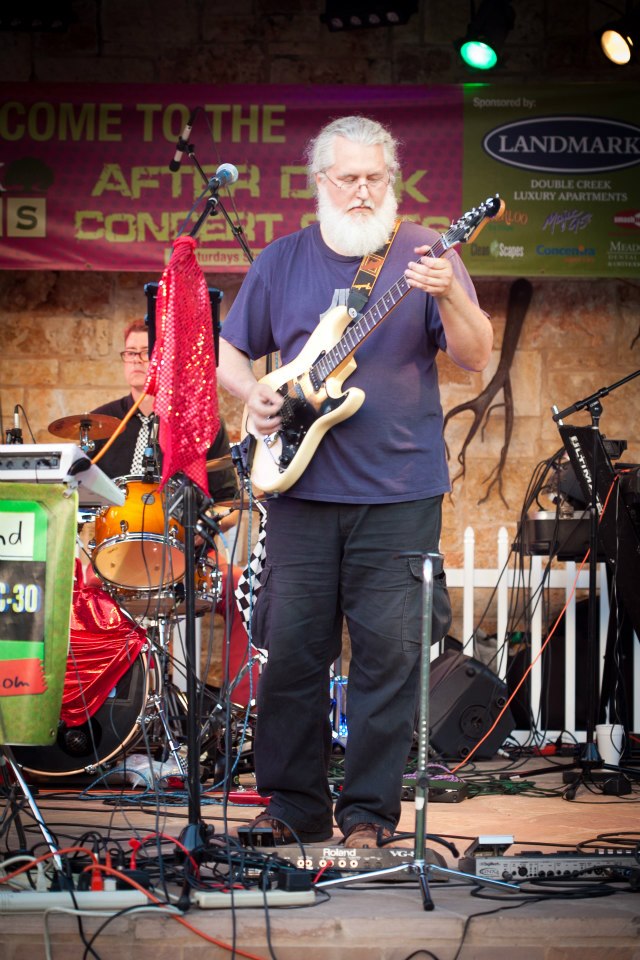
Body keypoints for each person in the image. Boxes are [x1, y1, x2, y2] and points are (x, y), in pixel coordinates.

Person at [217, 115, 493, 847]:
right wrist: (255, 395)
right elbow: (229, 353)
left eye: (378, 176)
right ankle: (292, 807)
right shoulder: (282, 260)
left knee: (389, 663)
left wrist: (453, 297)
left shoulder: (426, 253)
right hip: (300, 494)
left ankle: (368, 817)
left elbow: (476, 355)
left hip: (399, 493)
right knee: (293, 655)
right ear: (321, 184)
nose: (365, 189)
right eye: (350, 177)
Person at [89, 320, 258, 706]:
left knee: (250, 593)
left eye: (147, 353)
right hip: (113, 559)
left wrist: (199, 529)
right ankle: (93, 711)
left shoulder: (199, 424)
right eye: (130, 353)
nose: (137, 361)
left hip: (192, 558)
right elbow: (79, 503)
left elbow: (231, 506)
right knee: (71, 598)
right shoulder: (99, 426)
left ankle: (245, 710)